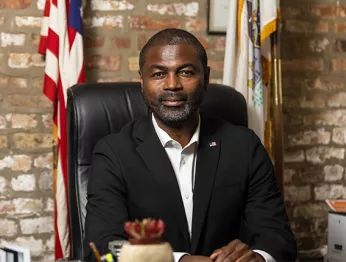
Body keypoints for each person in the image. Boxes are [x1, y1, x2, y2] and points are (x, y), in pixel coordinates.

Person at [83, 28, 297, 262]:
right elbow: (103, 246)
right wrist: (180, 260)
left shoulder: (244, 146)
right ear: (142, 82)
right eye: (158, 74)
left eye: (185, 72)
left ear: (205, 78)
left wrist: (258, 257)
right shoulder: (113, 153)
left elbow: (278, 238)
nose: (172, 85)